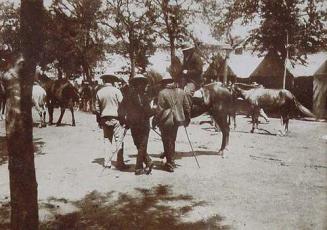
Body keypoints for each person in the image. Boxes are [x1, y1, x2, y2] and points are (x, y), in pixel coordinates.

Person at [152, 73, 191, 172]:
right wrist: (187, 119)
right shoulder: (181, 92)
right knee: (172, 140)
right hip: (177, 120)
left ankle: (169, 163)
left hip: (166, 120)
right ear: (172, 81)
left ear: (165, 82)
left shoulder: (162, 93)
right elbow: (187, 107)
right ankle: (171, 161)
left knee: (166, 141)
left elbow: (159, 110)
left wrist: (154, 121)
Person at [119, 74, 154, 175]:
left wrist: (124, 122)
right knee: (142, 145)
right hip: (143, 125)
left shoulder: (127, 96)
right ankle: (139, 168)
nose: (142, 86)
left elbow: (120, 111)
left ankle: (148, 161)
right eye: (142, 84)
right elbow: (148, 112)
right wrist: (156, 111)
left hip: (133, 125)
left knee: (138, 145)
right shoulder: (145, 97)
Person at [95, 74, 128, 170]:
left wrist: (100, 118)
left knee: (107, 140)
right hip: (116, 118)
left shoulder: (99, 92)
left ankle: (107, 162)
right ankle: (120, 163)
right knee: (119, 140)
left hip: (104, 118)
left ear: (104, 81)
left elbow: (97, 108)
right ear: (113, 81)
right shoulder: (117, 91)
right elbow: (123, 105)